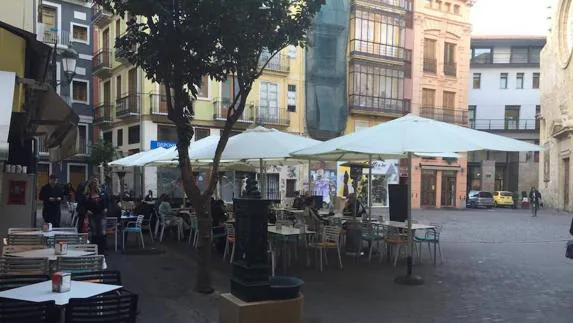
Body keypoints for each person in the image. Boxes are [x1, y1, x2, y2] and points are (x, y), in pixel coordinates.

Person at [84, 178, 107, 252]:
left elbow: (107, 200)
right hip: (93, 215)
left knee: (102, 232)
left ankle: (102, 250)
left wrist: (106, 208)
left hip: (101, 214)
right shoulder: (87, 194)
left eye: (97, 183)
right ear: (91, 184)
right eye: (94, 183)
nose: (96, 184)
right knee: (94, 232)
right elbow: (84, 204)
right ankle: (95, 249)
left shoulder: (101, 192)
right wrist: (87, 210)